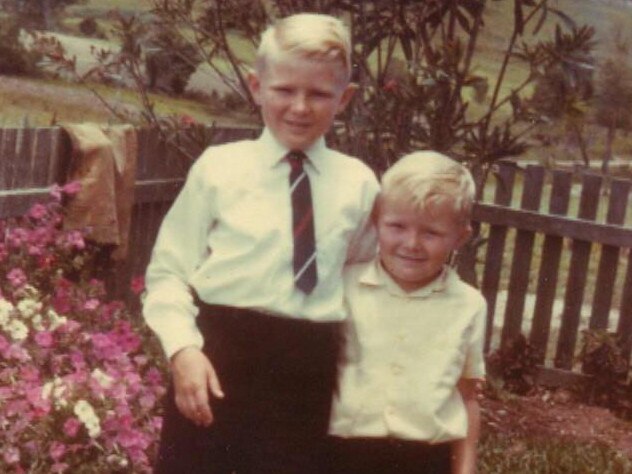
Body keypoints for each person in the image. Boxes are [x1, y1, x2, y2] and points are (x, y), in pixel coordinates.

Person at [142, 12, 379, 474]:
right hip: (218, 361)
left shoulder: (358, 185)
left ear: (344, 98)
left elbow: (360, 276)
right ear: (256, 87)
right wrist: (183, 350)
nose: (300, 107)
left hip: (308, 371)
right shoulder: (220, 169)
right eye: (284, 90)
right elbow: (168, 272)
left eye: (318, 93)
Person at [328, 151, 486, 474]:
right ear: (376, 222)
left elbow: (467, 397)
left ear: (460, 237)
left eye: (431, 232)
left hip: (427, 460)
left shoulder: (469, 305)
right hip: (344, 456)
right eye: (397, 226)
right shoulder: (343, 287)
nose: (411, 243)